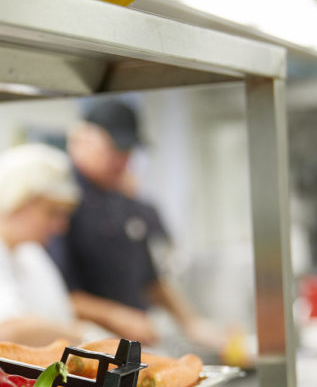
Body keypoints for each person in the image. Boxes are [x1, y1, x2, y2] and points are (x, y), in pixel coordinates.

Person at [48, 99, 225, 349]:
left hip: (134, 347)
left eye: (128, 152)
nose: (123, 161)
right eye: (115, 150)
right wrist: (116, 316)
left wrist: (192, 323)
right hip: (84, 351)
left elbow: (150, 278)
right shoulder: (60, 202)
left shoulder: (124, 200)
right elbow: (56, 294)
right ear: (83, 139)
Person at [0, 143, 93, 348]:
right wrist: (89, 336)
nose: (60, 226)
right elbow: (6, 330)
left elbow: (58, 317)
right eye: (52, 213)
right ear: (18, 202)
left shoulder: (30, 252)